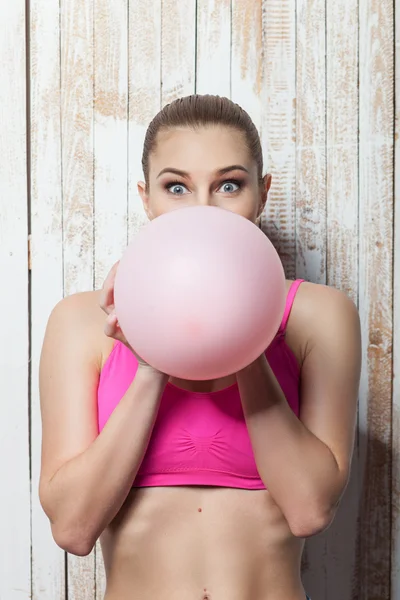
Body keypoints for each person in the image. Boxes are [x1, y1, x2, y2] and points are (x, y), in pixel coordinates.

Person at [39, 95, 361, 600]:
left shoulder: (318, 316)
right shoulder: (81, 323)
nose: (205, 210)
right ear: (147, 200)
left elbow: (309, 510)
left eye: (228, 185)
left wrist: (243, 330)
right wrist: (150, 356)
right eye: (177, 187)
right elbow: (74, 530)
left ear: (262, 194)